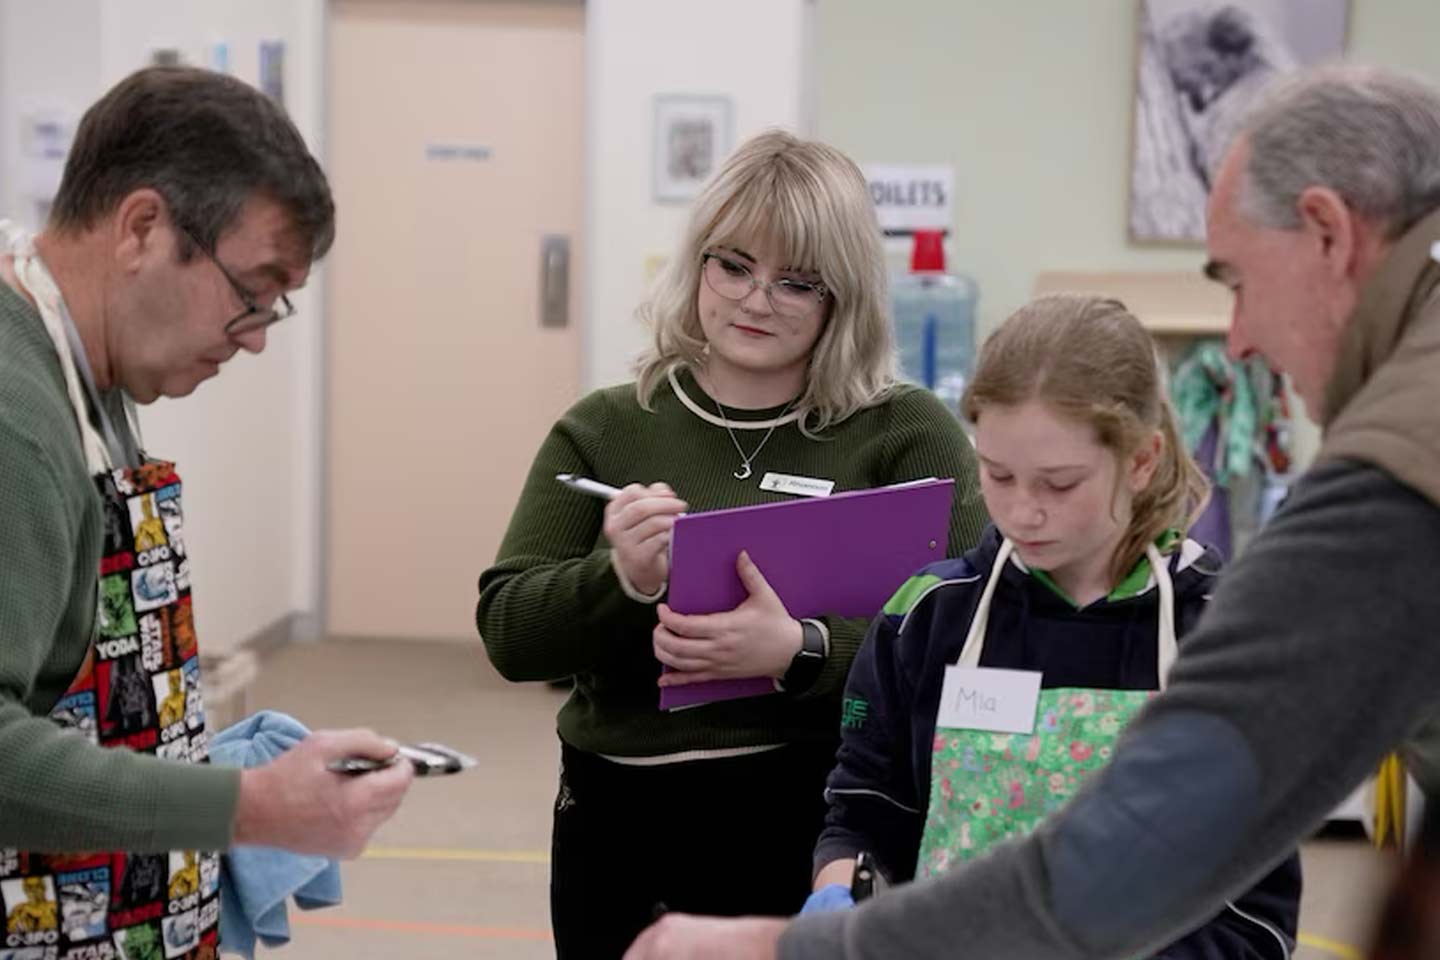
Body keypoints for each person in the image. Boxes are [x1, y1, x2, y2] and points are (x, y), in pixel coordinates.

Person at [623, 64, 1440, 960]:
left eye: (1236, 281)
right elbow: (872, 799)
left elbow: (1139, 863)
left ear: (1326, 231)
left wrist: (787, 950)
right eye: (999, 478)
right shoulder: (934, 615)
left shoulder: (1389, 473)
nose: (1238, 338)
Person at [476, 129, 988, 958]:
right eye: (734, 265)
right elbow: (509, 636)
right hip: (620, 823)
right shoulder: (606, 427)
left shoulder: (906, 435)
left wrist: (798, 649)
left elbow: (962, 647)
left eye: (797, 282)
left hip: (817, 819)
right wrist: (627, 580)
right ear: (697, 265)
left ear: (844, 296)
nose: (756, 300)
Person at [0, 66, 412, 958]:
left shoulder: (91, 376)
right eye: (251, 291)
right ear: (143, 228)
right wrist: (252, 806)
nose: (259, 334)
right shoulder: (16, 419)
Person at [801, 294, 1301, 957]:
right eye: (998, 475)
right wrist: (839, 895)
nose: (1022, 512)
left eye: (1059, 484)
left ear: (1143, 460)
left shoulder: (1218, 629)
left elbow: (1256, 913)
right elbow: (866, 812)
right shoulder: (928, 617)